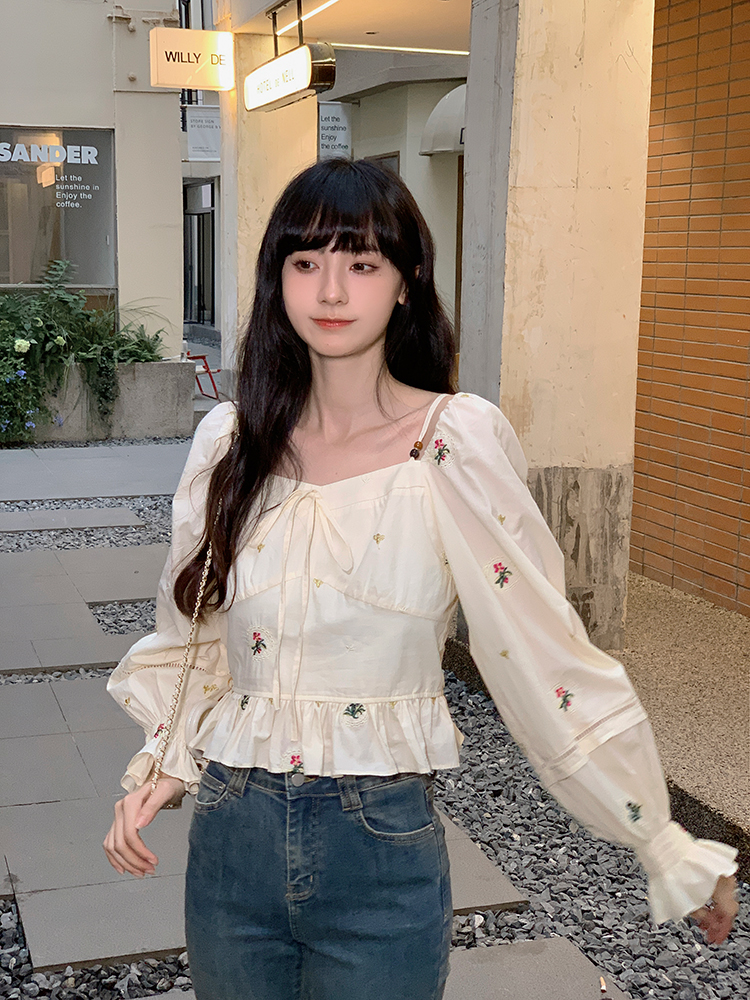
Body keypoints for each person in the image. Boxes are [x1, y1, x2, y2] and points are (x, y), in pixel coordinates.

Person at [103, 158, 739, 1000]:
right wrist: (164, 763)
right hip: (231, 835)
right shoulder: (231, 440)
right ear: (276, 281)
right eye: (305, 262)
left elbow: (544, 652)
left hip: (378, 844)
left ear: (406, 284)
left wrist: (659, 836)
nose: (332, 290)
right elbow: (199, 635)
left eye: (362, 263)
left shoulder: (451, 443)